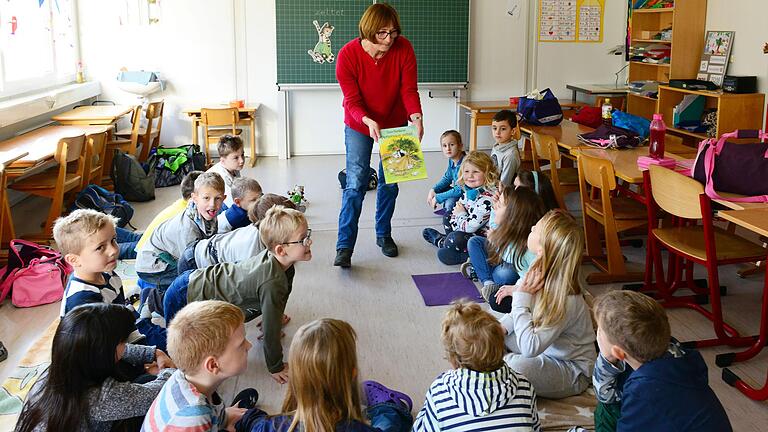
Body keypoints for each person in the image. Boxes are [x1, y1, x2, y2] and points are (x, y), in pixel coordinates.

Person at [163, 206, 311, 384]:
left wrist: (275, 319)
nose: (309, 242)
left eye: (308, 235)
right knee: (178, 351)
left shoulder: (285, 267)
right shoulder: (272, 281)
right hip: (185, 293)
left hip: (192, 283)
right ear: (281, 250)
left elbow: (279, 302)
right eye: (303, 239)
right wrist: (276, 366)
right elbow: (271, 332)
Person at [334, 2, 423, 268]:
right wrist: (367, 120)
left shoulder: (403, 48)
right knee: (355, 184)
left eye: (393, 32)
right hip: (359, 125)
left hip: (396, 124)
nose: (388, 39)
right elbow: (351, 100)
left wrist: (416, 118)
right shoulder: (347, 55)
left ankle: (383, 234)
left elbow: (409, 89)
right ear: (368, 31)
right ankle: (344, 246)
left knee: (391, 183)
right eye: (382, 33)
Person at [15, 303, 176, 432]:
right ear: (103, 353)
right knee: (154, 386)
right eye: (122, 341)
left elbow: (121, 350)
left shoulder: (61, 369)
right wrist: (169, 370)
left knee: (143, 377)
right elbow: (160, 392)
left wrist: (153, 353)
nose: (125, 345)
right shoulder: (101, 398)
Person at [235, 318, 413, 432]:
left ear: (295, 376)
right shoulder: (356, 429)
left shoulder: (273, 426)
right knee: (390, 422)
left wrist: (246, 418)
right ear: (352, 374)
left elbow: (255, 426)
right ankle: (388, 407)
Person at [592, 290, 732, 432]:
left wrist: (606, 357)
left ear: (619, 352)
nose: (597, 333)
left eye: (600, 331)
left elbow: (605, 396)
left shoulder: (643, 391)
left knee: (606, 411)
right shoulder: (677, 354)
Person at [495, 210, 596, 399]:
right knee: (492, 330)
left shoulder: (565, 299)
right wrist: (499, 329)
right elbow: (521, 316)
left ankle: (504, 365)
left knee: (514, 367)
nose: (531, 228)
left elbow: (529, 348)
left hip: (570, 368)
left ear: (542, 249)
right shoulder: (537, 270)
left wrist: (520, 297)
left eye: (535, 230)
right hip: (545, 346)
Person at [413, 301, 540, 431]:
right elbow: (534, 427)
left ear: (453, 360)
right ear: (502, 349)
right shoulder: (524, 385)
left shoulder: (439, 391)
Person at [142, 300, 257, 432]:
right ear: (213, 365)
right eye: (241, 344)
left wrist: (223, 418)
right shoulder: (194, 417)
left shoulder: (184, 377)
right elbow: (196, 415)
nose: (249, 345)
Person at [135, 172, 225, 290]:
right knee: (194, 282)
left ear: (224, 198)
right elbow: (189, 265)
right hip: (152, 266)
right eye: (206, 198)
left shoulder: (207, 213)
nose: (212, 204)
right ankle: (151, 294)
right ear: (195, 198)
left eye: (217, 198)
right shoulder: (188, 229)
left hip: (169, 255)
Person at [463, 187, 546, 305]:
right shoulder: (507, 225)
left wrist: (494, 241)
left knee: (504, 273)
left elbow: (509, 256)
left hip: (513, 268)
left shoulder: (525, 241)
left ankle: (481, 270)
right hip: (502, 257)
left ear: (512, 214)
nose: (496, 206)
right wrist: (494, 206)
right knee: (474, 242)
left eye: (500, 205)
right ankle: (488, 283)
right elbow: (494, 224)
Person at [178, 194, 296, 273]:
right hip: (194, 261)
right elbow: (238, 283)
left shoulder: (263, 230)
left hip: (204, 250)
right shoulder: (253, 249)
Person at [422, 151, 498, 265]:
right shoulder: (470, 190)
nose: (470, 176)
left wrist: (461, 215)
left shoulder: (487, 200)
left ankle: (455, 249)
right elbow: (456, 210)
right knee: (447, 215)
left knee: (455, 238)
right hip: (467, 224)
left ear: (487, 174)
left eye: (476, 172)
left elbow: (470, 227)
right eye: (466, 171)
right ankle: (448, 241)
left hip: (482, 238)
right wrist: (459, 217)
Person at [135, 170, 203, 252]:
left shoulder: (182, 203)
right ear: (193, 197)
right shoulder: (187, 216)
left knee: (127, 237)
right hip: (146, 250)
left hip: (147, 238)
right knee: (120, 248)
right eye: (207, 197)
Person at [427, 130, 465, 213]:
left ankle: (449, 215)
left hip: (467, 194)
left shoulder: (465, 163)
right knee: (439, 189)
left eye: (452, 145)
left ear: (460, 146)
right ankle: (448, 209)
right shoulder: (452, 160)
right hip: (458, 190)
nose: (448, 148)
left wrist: (438, 197)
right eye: (444, 146)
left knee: (449, 203)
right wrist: (434, 189)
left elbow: (460, 190)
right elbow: (447, 178)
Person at [207, 134, 245, 208]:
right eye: (236, 158)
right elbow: (234, 205)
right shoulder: (221, 179)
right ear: (223, 160)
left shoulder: (233, 168)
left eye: (242, 155)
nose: (242, 160)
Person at [491, 110, 521, 187]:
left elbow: (505, 183)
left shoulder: (511, 155)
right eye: (494, 128)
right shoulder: (497, 146)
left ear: (513, 131)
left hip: (505, 192)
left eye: (503, 129)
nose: (497, 132)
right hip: (493, 185)